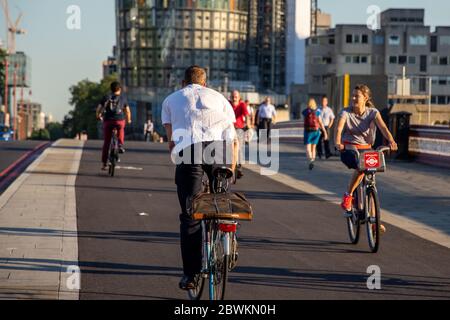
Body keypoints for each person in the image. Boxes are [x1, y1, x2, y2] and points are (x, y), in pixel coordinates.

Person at [161, 66, 237, 290]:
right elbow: (232, 135)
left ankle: (191, 275)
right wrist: (231, 168)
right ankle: (228, 240)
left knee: (191, 213)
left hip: (190, 151)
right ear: (205, 83)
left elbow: (171, 138)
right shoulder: (219, 97)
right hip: (220, 151)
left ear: (184, 83)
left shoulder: (171, 99)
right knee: (222, 201)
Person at [335, 84, 398, 233]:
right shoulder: (346, 112)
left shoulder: (373, 113)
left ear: (366, 98)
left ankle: (375, 221)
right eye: (353, 95)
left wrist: (391, 141)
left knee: (371, 181)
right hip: (348, 148)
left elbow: (383, 127)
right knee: (360, 168)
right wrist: (338, 142)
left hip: (366, 148)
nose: (354, 98)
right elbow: (339, 128)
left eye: (357, 96)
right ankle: (348, 196)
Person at [96, 81, 132, 171]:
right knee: (121, 129)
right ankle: (120, 145)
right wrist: (129, 120)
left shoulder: (106, 97)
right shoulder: (122, 98)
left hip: (108, 121)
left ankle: (104, 163)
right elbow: (127, 111)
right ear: (119, 89)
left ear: (111, 89)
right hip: (119, 120)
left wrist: (98, 115)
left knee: (106, 143)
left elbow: (99, 109)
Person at [302, 98, 328, 170]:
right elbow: (320, 122)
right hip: (316, 131)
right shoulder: (317, 111)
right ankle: (313, 160)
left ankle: (310, 160)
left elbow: (304, 122)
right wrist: (325, 132)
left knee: (308, 147)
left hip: (308, 131)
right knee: (313, 148)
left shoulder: (305, 111)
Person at [229, 90, 250, 179]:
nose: (234, 98)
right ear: (230, 97)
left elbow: (247, 116)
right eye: (233, 97)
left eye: (236, 97)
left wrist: (248, 125)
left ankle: (239, 166)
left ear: (239, 97)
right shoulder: (228, 103)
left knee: (239, 147)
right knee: (227, 147)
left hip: (239, 128)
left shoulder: (242, 105)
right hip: (229, 128)